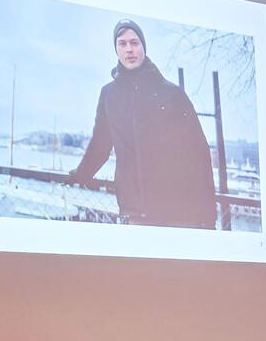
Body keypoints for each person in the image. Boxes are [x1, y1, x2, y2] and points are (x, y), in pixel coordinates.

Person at [69, 19, 217, 229]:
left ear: (143, 47)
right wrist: (80, 174)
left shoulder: (172, 94)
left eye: (134, 42)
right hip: (135, 209)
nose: (129, 49)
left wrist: (208, 215)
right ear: (116, 49)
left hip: (179, 210)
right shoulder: (109, 95)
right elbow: (100, 145)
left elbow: (198, 153)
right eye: (122, 44)